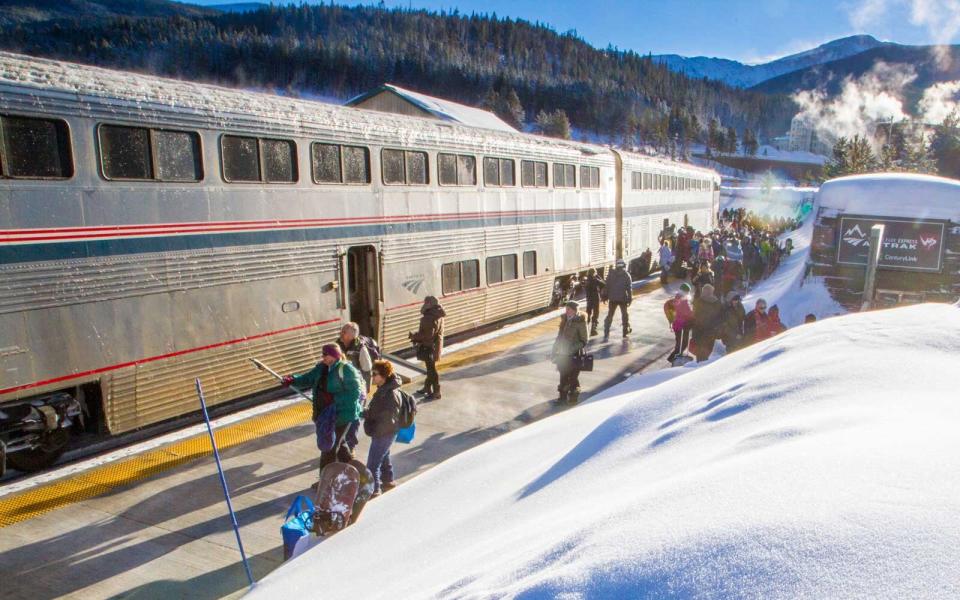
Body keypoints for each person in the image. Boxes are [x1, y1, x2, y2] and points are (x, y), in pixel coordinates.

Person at [284, 344, 363, 473]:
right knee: (339, 443)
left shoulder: (346, 369)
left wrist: (334, 401)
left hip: (341, 415)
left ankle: (325, 479)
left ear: (334, 355)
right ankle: (353, 470)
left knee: (328, 448)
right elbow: (307, 378)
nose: (323, 357)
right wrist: (292, 380)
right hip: (324, 413)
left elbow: (354, 393)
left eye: (325, 354)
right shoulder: (322, 368)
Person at [363, 360, 402, 496]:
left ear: (384, 376)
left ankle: (374, 491)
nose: (372, 377)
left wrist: (367, 413)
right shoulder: (384, 389)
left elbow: (386, 415)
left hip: (384, 432)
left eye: (375, 374)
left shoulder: (389, 394)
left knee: (372, 464)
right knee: (383, 457)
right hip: (384, 431)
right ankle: (388, 481)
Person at [410, 295, 446, 400]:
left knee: (431, 370)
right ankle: (427, 387)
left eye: (425, 302)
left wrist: (414, 336)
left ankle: (436, 391)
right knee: (431, 368)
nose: (424, 304)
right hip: (435, 346)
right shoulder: (438, 314)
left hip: (428, 347)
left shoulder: (429, 317)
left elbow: (427, 335)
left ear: (429, 304)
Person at [553, 300, 588, 405]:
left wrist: (571, 349)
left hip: (575, 354)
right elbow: (559, 336)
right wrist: (554, 348)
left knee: (573, 377)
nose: (567, 311)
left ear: (575, 310)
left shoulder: (580, 322)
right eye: (566, 309)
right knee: (563, 375)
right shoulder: (564, 319)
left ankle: (574, 396)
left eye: (569, 309)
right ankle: (562, 397)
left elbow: (584, 340)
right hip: (562, 353)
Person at [336, 322, 381, 393]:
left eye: (344, 332)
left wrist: (365, 390)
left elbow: (367, 370)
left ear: (351, 336)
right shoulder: (338, 345)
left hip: (358, 386)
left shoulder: (361, 348)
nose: (341, 333)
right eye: (341, 331)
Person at [603, 259, 633, 341]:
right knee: (624, 315)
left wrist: (604, 296)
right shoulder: (627, 275)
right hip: (622, 299)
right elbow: (629, 289)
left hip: (612, 298)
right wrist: (630, 298)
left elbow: (606, 286)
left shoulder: (611, 274)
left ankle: (606, 331)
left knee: (610, 315)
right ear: (623, 266)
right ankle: (625, 332)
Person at [691, 284, 723, 362]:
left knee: (700, 354)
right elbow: (720, 317)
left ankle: (700, 367)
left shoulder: (698, 301)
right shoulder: (716, 302)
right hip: (710, 332)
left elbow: (694, 317)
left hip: (700, 332)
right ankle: (703, 367)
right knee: (707, 352)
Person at [664, 282, 694, 363]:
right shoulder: (682, 300)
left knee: (680, 343)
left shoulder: (677, 297)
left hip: (677, 325)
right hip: (683, 325)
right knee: (682, 344)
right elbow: (687, 312)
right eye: (688, 291)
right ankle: (673, 359)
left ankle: (675, 358)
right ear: (685, 291)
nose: (688, 293)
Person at [581, 268, 605, 337]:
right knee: (595, 313)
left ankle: (584, 329)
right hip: (595, 299)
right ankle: (593, 330)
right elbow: (603, 284)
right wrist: (597, 276)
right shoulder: (595, 280)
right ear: (594, 273)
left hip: (589, 299)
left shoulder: (586, 281)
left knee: (588, 313)